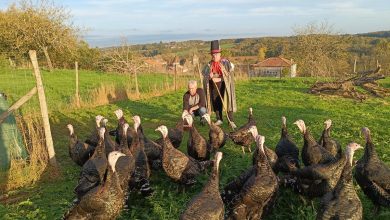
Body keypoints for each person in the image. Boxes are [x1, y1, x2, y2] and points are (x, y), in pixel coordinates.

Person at [202, 40, 237, 128]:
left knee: (227, 102)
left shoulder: (226, 63)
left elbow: (228, 76)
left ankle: (231, 121)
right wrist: (209, 77)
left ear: (220, 54)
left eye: (216, 54)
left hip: (225, 87)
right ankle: (219, 119)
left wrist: (219, 78)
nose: (214, 56)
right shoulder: (209, 64)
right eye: (213, 54)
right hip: (214, 88)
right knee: (216, 102)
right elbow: (205, 76)